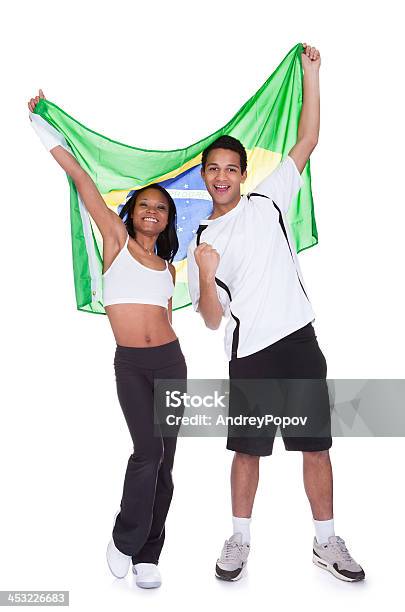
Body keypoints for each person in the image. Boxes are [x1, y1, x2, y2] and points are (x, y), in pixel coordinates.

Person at [187, 44, 365, 583]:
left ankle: (326, 540)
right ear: (204, 175)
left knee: (316, 446)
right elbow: (212, 319)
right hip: (251, 355)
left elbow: (307, 139)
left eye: (230, 169)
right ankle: (238, 540)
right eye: (212, 169)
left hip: (298, 342)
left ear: (243, 174)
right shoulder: (202, 240)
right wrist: (206, 268)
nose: (222, 177)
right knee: (247, 452)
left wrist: (312, 74)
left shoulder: (269, 201)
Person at [28, 91, 187, 589]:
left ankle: (149, 553)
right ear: (131, 212)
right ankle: (124, 537)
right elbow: (80, 178)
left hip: (171, 362)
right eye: (145, 205)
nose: (152, 212)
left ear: (167, 219)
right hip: (132, 366)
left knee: (166, 462)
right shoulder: (115, 244)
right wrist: (41, 121)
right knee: (147, 452)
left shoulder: (169, 267)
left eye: (161, 208)